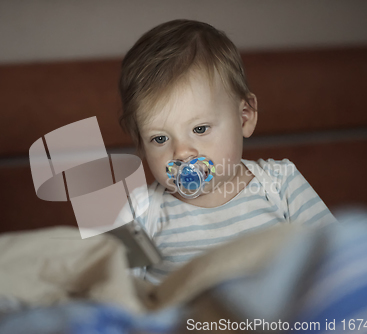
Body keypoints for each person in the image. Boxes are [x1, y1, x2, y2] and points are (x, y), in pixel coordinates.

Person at [118, 19, 337, 284]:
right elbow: (114, 293)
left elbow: (336, 258)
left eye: (200, 129)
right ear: (141, 144)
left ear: (244, 117)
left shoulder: (281, 183)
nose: (182, 152)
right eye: (160, 138)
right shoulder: (140, 210)